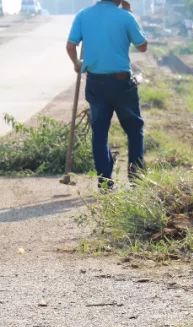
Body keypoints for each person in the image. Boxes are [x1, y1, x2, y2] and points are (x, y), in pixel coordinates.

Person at [65, 0, 148, 189]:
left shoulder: (83, 15)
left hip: (95, 82)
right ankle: (136, 181)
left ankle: (105, 183)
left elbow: (70, 46)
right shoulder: (126, 16)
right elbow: (142, 46)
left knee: (100, 133)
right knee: (134, 129)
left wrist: (76, 64)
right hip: (121, 83)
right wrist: (130, 13)